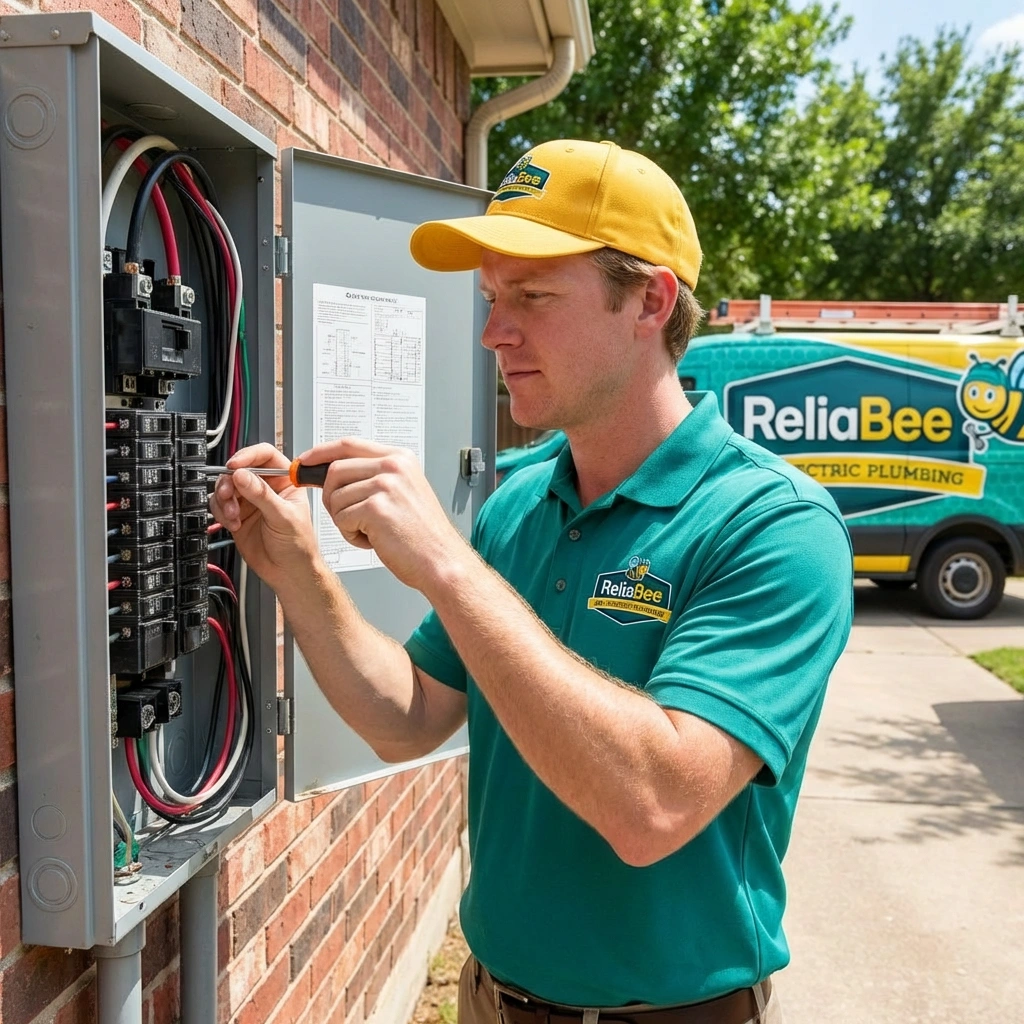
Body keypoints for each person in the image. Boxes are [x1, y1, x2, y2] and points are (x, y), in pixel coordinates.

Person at [211, 139, 853, 1024]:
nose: (493, 331)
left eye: (533, 297)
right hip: (492, 1000)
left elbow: (652, 806)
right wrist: (299, 572)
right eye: (490, 297)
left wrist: (446, 564)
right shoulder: (521, 499)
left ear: (650, 300)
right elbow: (411, 719)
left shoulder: (773, 525)